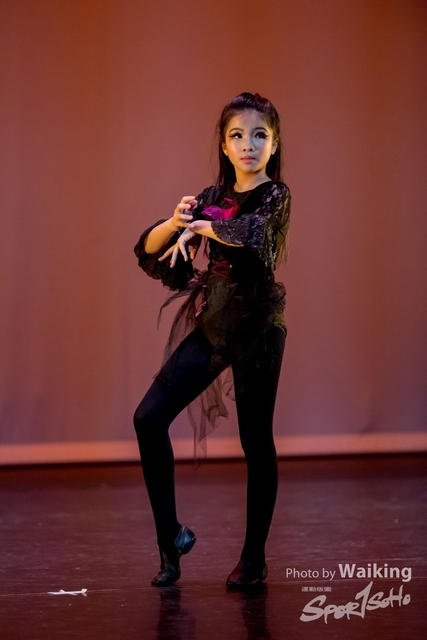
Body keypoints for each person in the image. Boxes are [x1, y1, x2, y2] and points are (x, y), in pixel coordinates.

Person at [133, 92, 291, 589]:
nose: (249, 145)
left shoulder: (275, 195)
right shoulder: (212, 196)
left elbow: (251, 232)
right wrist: (176, 222)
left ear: (274, 144)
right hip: (215, 323)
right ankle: (171, 540)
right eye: (237, 136)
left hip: (258, 326)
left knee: (255, 441)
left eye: (259, 135)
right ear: (224, 145)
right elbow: (148, 249)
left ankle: (253, 558)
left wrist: (206, 224)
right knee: (148, 418)